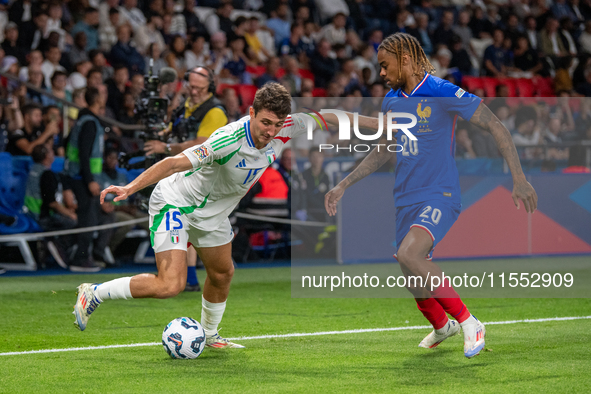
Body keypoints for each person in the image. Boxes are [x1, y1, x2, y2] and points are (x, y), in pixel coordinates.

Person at [324, 33, 537, 359]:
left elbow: (495, 125)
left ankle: (469, 321)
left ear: (405, 59)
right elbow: (383, 151)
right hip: (404, 198)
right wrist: (344, 185)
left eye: (385, 65)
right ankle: (442, 326)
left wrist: (519, 177)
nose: (381, 73)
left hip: (440, 193)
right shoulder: (392, 101)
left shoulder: (441, 90)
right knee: (411, 275)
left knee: (411, 255)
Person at [72, 83, 310, 349]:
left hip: (212, 214)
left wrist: (366, 123)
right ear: (252, 112)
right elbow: (172, 162)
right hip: (175, 202)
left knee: (222, 273)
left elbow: (330, 117)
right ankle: (94, 292)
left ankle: (209, 335)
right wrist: (130, 187)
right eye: (265, 122)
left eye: (277, 124)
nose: (271, 130)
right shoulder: (228, 139)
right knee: (170, 285)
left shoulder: (284, 127)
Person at [63, 87, 107, 272]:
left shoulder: (82, 120)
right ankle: (80, 259)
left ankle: (81, 254)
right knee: (87, 219)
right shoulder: (90, 122)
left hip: (77, 175)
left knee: (89, 217)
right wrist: (90, 180)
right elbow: (84, 152)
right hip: (83, 178)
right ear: (97, 99)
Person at [144, 67, 228, 156]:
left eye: (199, 88)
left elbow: (201, 146)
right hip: (180, 161)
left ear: (209, 87)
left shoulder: (215, 111)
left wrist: (165, 148)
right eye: (191, 87)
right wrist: (158, 135)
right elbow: (173, 127)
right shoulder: (185, 105)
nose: (194, 92)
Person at [25, 144, 77, 269]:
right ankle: (57, 245)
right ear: (47, 156)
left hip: (28, 214)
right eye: (51, 151)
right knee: (72, 222)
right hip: (41, 217)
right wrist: (70, 214)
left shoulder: (32, 170)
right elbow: (52, 203)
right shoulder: (47, 174)